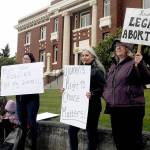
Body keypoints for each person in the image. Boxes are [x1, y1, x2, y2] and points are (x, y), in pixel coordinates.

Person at [103, 39, 150, 150]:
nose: (118, 47)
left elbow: (146, 79)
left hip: (131, 109)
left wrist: (140, 64)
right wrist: (101, 95)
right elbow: (108, 85)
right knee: (119, 141)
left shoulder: (134, 62)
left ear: (128, 49)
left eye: (121, 45)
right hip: (115, 109)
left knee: (132, 143)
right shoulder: (113, 66)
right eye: (116, 46)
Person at [68, 47, 106, 150]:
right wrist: (65, 90)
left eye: (87, 55)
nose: (84, 57)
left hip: (92, 106)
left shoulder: (97, 71)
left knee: (91, 133)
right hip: (79, 106)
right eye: (82, 55)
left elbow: (104, 88)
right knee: (72, 130)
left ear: (93, 57)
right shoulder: (77, 70)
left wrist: (92, 93)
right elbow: (72, 86)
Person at [16, 52, 40, 150]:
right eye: (23, 59)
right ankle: (21, 145)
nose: (24, 60)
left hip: (32, 100)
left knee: (31, 121)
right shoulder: (17, 71)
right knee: (22, 123)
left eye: (27, 59)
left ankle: (33, 145)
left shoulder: (35, 71)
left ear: (31, 61)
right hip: (20, 100)